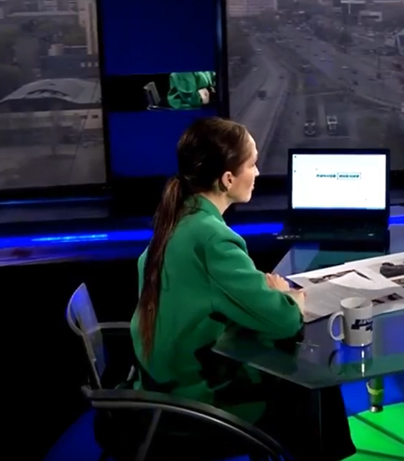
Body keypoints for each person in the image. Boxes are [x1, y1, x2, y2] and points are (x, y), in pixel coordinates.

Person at [130, 117, 355, 460]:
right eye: (252, 164)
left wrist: (260, 294)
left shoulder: (179, 218)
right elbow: (284, 321)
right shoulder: (212, 238)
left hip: (158, 383)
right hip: (193, 400)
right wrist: (288, 298)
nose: (258, 172)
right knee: (310, 374)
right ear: (227, 179)